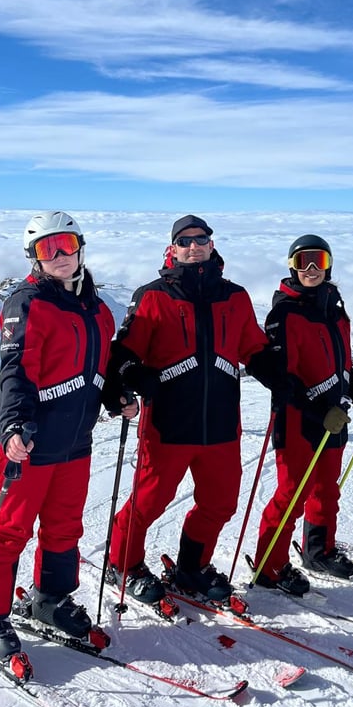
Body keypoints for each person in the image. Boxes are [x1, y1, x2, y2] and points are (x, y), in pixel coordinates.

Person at [0, 210, 137, 660]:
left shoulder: (97, 308)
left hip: (75, 441)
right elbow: (15, 371)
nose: (59, 256)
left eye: (66, 246)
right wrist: (15, 426)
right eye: (47, 249)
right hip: (28, 443)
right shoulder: (27, 303)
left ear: (80, 248)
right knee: (9, 532)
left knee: (64, 528)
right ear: (34, 257)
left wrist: (116, 395)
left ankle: (50, 599)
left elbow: (97, 369)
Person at [106, 214, 278, 604]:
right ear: (172, 249)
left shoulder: (235, 296)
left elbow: (253, 347)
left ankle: (192, 567)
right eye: (184, 241)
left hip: (220, 424)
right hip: (168, 422)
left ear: (212, 245)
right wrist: (134, 373)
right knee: (148, 502)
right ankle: (123, 563)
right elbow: (127, 351)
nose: (193, 245)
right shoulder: (155, 295)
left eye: (201, 239)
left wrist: (278, 376)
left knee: (220, 503)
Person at [251, 235, 353, 596]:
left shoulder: (334, 309)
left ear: (329, 265)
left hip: (334, 416)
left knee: (326, 490)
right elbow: (281, 378)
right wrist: (318, 408)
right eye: (304, 261)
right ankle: (269, 565)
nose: (311, 269)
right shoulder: (284, 313)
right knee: (293, 493)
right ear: (291, 266)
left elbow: (343, 368)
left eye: (319, 261)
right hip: (298, 418)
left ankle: (318, 551)